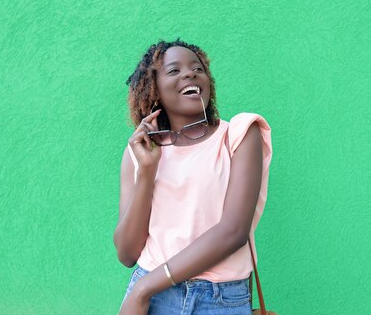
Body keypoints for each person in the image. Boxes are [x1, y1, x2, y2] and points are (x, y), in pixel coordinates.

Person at [114, 39, 272, 315]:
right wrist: (148, 172)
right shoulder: (138, 152)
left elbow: (233, 232)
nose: (189, 73)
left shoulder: (239, 135)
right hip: (153, 299)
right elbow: (127, 253)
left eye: (197, 68)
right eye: (174, 71)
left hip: (218, 299)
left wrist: (144, 288)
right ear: (155, 91)